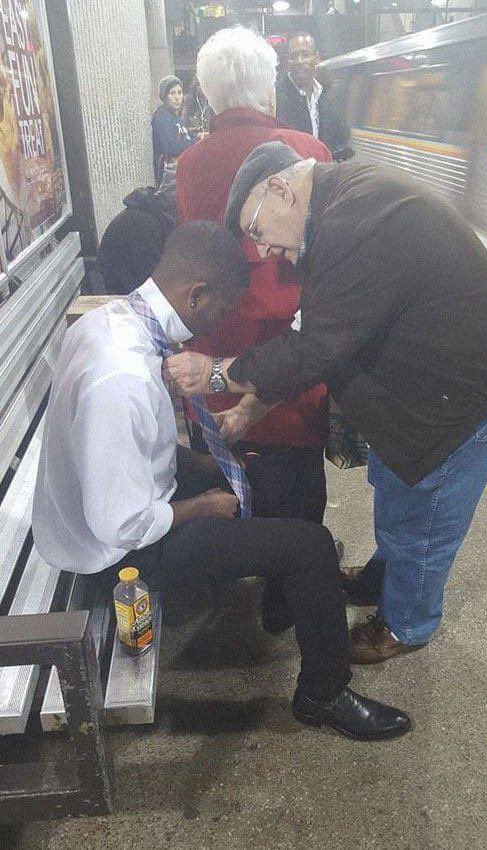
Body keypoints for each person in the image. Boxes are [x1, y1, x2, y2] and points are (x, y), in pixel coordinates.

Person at [31, 220, 411, 742]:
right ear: (197, 295)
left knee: (266, 472)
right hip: (118, 556)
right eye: (222, 310)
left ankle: (288, 599)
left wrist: (208, 467)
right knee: (312, 545)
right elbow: (121, 526)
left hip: (120, 498)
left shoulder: (110, 321)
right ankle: (323, 694)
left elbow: (132, 456)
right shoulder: (122, 381)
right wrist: (204, 505)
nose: (221, 324)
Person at [165, 142, 487, 666]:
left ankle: (407, 623)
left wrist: (217, 372)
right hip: (418, 385)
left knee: (426, 513)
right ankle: (383, 576)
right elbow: (316, 334)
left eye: (257, 232)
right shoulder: (338, 209)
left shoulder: (355, 224)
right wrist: (248, 409)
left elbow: (315, 348)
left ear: (281, 189)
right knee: (395, 488)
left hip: (456, 397)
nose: (263, 252)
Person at [176, 27, 334, 635]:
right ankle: (284, 602)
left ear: (210, 95)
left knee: (230, 472)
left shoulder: (190, 163)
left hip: (214, 363)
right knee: (298, 486)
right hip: (290, 357)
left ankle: (233, 574)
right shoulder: (307, 148)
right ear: (268, 87)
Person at [276, 33, 350, 158]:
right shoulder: (277, 98)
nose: (299, 61)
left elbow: (340, 138)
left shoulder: (325, 100)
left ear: (317, 57)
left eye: (305, 54)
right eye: (293, 56)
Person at [97, 183, 177, 295]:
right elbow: (153, 290)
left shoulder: (158, 216)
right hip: (122, 294)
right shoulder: (142, 226)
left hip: (135, 283)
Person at [152, 76, 197, 186]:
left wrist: (196, 136)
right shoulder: (162, 116)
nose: (177, 97)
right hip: (168, 179)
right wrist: (196, 141)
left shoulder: (175, 116)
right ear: (164, 96)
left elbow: (184, 136)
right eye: (172, 93)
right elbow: (171, 147)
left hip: (180, 174)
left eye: (179, 92)